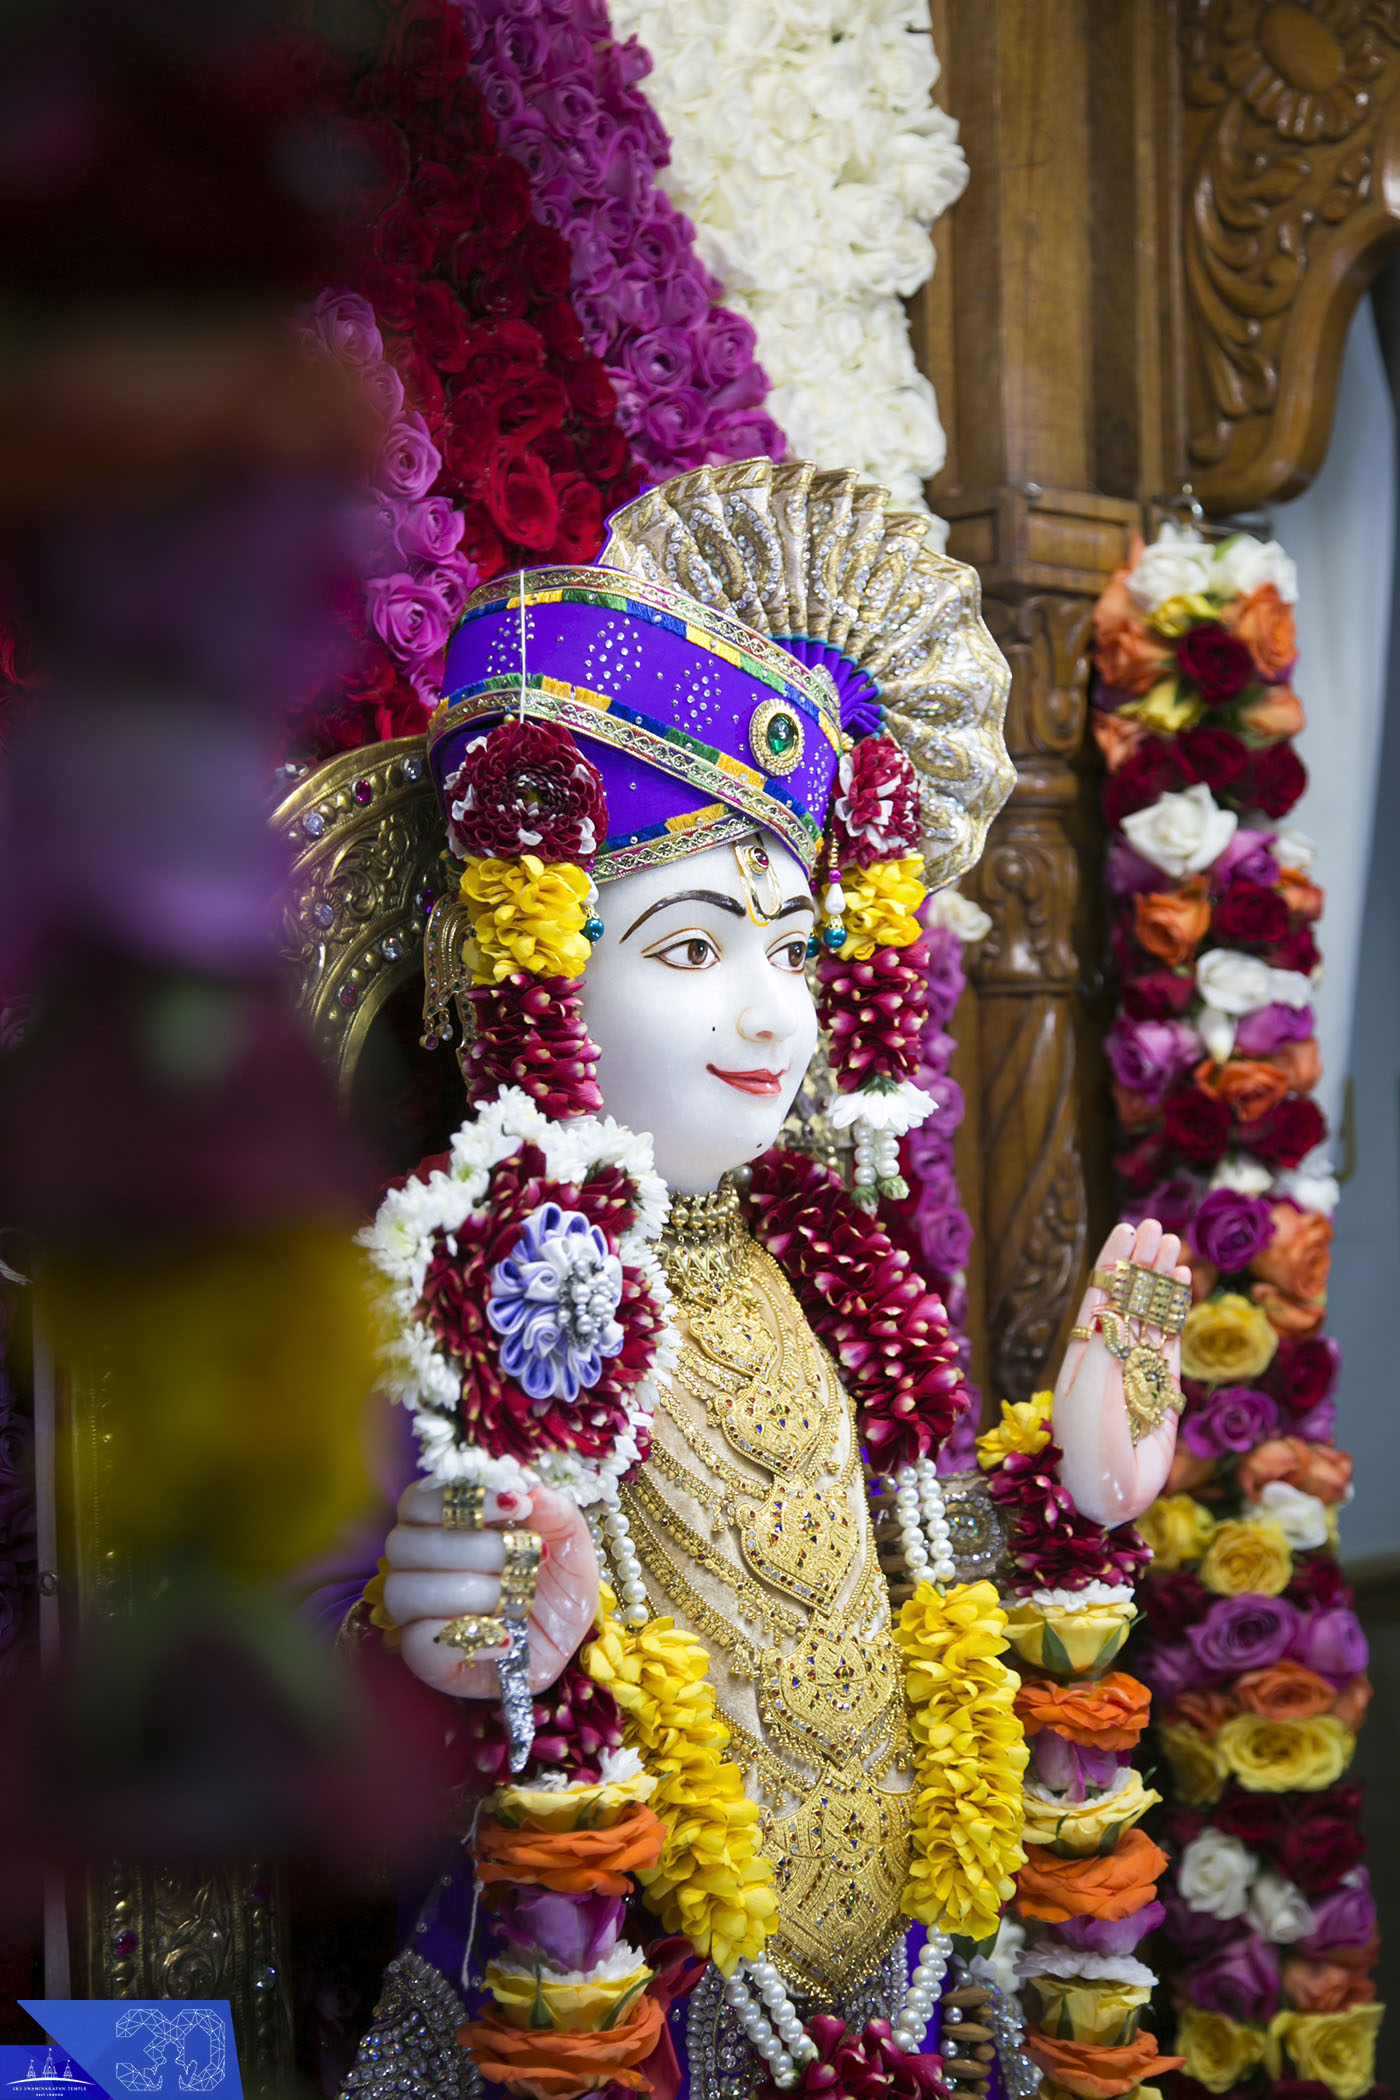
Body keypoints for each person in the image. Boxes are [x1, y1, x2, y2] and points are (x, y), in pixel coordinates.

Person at [342, 460, 1191, 2100]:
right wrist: (420, 1638)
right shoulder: (445, 1295)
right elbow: (229, 1726)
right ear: (512, 965)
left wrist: (1068, 1495)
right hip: (611, 2018)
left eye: (794, 951)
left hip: (913, 2003)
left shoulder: (829, 1264)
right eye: (688, 950)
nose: (774, 1019)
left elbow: (905, 1599)